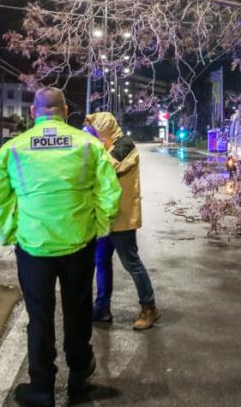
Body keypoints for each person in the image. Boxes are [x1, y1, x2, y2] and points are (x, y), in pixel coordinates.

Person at [0, 88, 121, 407]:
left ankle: (42, 387)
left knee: (40, 316)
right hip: (78, 244)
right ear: (65, 110)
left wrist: (12, 232)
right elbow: (109, 193)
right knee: (78, 309)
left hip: (33, 248)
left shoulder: (14, 148)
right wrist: (98, 227)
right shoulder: (88, 145)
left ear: (34, 112)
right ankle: (79, 375)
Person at [84, 112, 160, 331]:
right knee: (101, 262)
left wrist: (90, 148)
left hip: (122, 217)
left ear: (105, 129)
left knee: (131, 263)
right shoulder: (106, 145)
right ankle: (102, 308)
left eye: (95, 131)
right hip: (105, 217)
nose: (93, 135)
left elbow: (105, 168)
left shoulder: (125, 146)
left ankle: (149, 308)